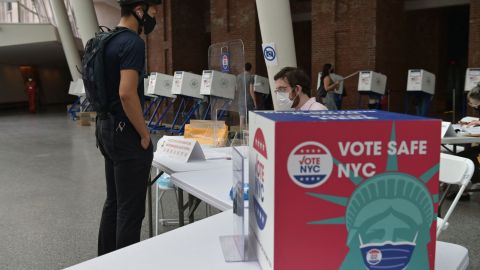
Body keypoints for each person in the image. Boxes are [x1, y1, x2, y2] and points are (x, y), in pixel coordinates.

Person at [95, 0, 160, 256]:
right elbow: (126, 93)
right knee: (130, 211)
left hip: (104, 127)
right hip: (125, 132)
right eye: (153, 11)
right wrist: (144, 134)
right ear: (140, 11)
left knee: (114, 202)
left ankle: (105, 261)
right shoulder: (132, 42)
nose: (154, 18)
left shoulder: (106, 39)